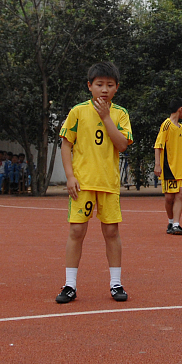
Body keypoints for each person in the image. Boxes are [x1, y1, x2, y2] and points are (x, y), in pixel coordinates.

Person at [55, 62, 133, 304]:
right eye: (99, 84)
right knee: (77, 231)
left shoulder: (120, 114)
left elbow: (122, 144)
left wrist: (106, 117)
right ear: (90, 86)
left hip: (108, 184)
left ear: (116, 88)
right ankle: (70, 285)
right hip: (83, 184)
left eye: (109, 85)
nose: (104, 89)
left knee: (111, 231)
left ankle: (116, 283)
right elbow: (66, 144)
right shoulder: (77, 111)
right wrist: (70, 176)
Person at [155, 98, 182, 235]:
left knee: (180, 195)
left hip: (181, 168)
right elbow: (158, 145)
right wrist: (157, 165)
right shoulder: (166, 125)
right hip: (169, 168)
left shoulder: (181, 128)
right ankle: (171, 221)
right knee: (169, 198)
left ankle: (177, 224)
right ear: (180, 109)